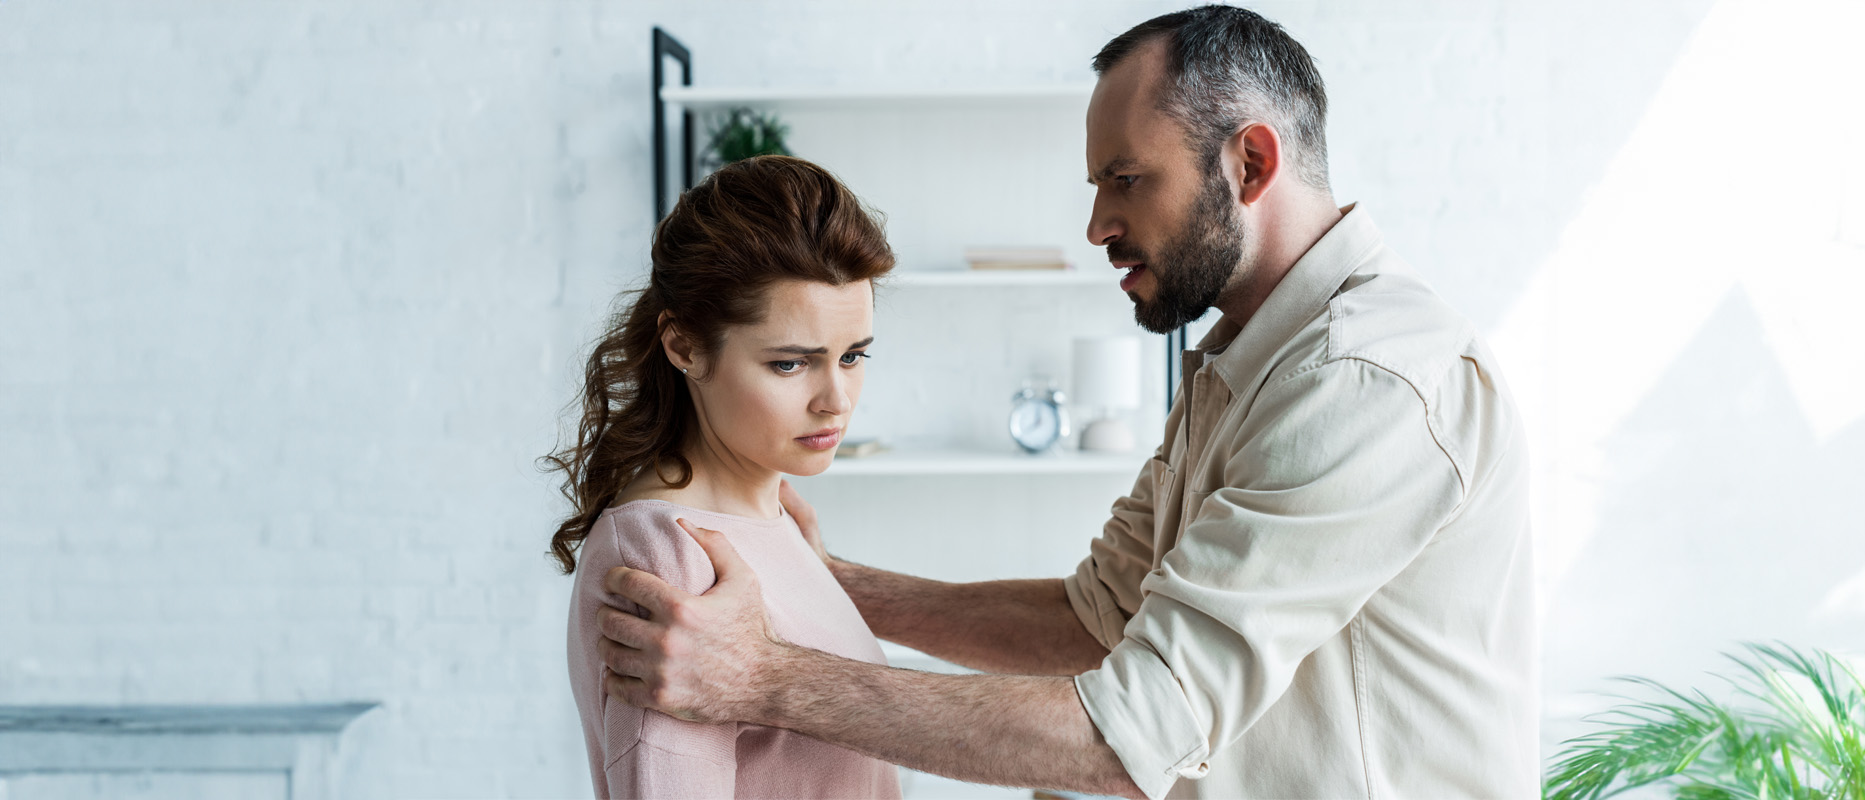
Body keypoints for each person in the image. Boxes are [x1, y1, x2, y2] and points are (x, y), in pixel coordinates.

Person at [593, 6, 1538, 798]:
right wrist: (827, 584)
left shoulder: (1364, 380)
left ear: (1249, 164)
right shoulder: (1245, 359)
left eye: (1127, 181)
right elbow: (1094, 625)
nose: (1097, 226)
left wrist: (760, 678)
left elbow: (1129, 734)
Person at [546, 155, 901, 799]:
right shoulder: (664, 553)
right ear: (684, 346)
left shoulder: (779, 518)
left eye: (853, 356)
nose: (836, 400)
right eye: (791, 364)